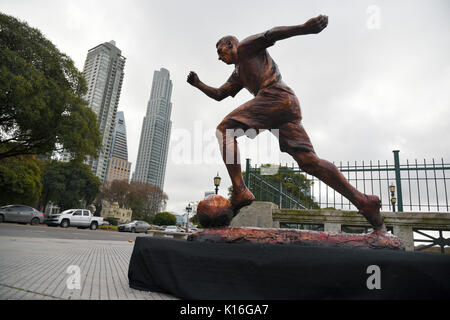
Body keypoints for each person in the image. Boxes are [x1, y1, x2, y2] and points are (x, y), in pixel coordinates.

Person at [187, 15, 386, 232]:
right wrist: (198, 84)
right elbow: (219, 94)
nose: (219, 57)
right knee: (309, 162)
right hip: (285, 106)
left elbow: (272, 34)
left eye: (220, 51)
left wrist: (305, 28)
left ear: (230, 44)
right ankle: (365, 203)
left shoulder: (246, 47)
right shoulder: (238, 74)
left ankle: (240, 190)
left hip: (275, 97)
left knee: (225, 130)